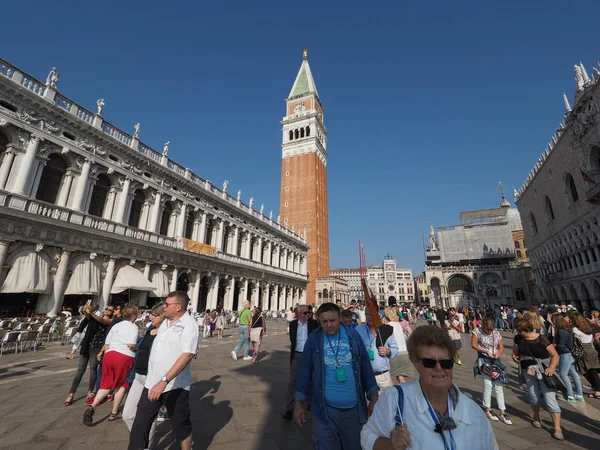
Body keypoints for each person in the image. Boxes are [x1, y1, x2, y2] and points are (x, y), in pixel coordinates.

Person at [360, 325, 498, 450]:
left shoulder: (474, 413)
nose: (439, 368)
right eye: (429, 362)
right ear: (415, 362)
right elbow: (366, 436)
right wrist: (391, 445)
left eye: (446, 363)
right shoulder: (394, 399)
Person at [293, 303, 379, 449]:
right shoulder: (314, 339)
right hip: (325, 411)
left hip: (354, 410)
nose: (329, 325)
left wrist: (373, 395)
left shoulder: (353, 336)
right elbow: (304, 371)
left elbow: (365, 366)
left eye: (332, 320)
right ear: (319, 321)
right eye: (324, 321)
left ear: (339, 318)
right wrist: (298, 402)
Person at [128, 291, 199, 450]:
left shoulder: (189, 325)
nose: (164, 307)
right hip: (152, 383)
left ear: (178, 307)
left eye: (167, 304)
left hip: (175, 386)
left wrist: (164, 381)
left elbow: (186, 355)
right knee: (139, 425)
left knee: (181, 426)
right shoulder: (165, 322)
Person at [84, 305, 139, 426]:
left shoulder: (115, 326)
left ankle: (92, 407)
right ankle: (114, 413)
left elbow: (107, 344)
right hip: (124, 357)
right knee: (121, 385)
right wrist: (137, 346)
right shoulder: (133, 327)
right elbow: (131, 344)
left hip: (109, 355)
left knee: (106, 385)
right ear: (134, 316)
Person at [122, 304, 166, 449]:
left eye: (155, 315)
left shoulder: (166, 333)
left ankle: (145, 446)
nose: (151, 317)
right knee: (127, 415)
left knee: (148, 418)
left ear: (163, 316)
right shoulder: (150, 330)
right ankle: (139, 438)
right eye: (152, 314)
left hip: (151, 378)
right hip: (138, 376)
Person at [512, 318, 563, 440]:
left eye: (519, 330)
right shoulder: (518, 339)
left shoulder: (542, 339)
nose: (518, 333)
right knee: (533, 396)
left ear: (524, 330)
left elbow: (555, 355)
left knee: (550, 398)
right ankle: (536, 417)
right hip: (528, 371)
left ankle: (557, 428)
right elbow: (515, 352)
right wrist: (515, 357)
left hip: (544, 371)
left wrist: (551, 367)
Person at [64, 304, 114, 406]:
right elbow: (88, 316)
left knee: (92, 369)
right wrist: (86, 309)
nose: (107, 310)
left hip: (97, 347)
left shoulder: (110, 321)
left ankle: (90, 393)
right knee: (80, 370)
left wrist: (90, 312)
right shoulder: (94, 317)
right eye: (106, 309)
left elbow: (101, 321)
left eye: (110, 310)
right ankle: (71, 393)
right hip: (86, 346)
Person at [471, 317, 512, 424]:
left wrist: (498, 353)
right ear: (483, 327)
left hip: (495, 361)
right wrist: (485, 350)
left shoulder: (496, 333)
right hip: (484, 360)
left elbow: (501, 347)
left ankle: (502, 412)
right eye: (487, 330)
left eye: (491, 330)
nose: (489, 332)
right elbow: (473, 345)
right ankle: (488, 409)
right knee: (488, 385)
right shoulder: (477, 331)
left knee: (499, 386)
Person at [282, 304, 319, 421]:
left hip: (310, 355)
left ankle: (310, 403)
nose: (308, 314)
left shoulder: (313, 324)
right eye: (305, 313)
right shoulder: (293, 324)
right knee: (292, 382)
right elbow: (292, 341)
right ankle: (289, 409)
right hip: (297, 355)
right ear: (299, 314)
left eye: (309, 313)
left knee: (312, 380)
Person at [356, 307, 398, 389]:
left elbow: (395, 348)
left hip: (382, 376)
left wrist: (388, 351)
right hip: (366, 376)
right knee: (369, 401)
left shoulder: (385, 330)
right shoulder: (358, 330)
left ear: (378, 315)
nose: (369, 317)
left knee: (386, 400)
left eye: (372, 314)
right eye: (367, 314)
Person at [568, 311, 600, 399]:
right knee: (592, 370)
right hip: (591, 349)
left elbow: (576, 341)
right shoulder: (588, 328)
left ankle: (598, 390)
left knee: (584, 370)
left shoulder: (575, 330)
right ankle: (597, 389)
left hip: (583, 350)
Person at [552, 314, 584, 402]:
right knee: (573, 373)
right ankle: (579, 394)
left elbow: (561, 345)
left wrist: (554, 350)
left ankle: (570, 396)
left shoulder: (561, 331)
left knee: (563, 374)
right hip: (571, 353)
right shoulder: (567, 329)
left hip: (565, 354)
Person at [384, 307, 418, 383]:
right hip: (404, 352)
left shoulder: (388, 326)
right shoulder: (398, 325)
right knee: (402, 376)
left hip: (395, 353)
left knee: (392, 377)